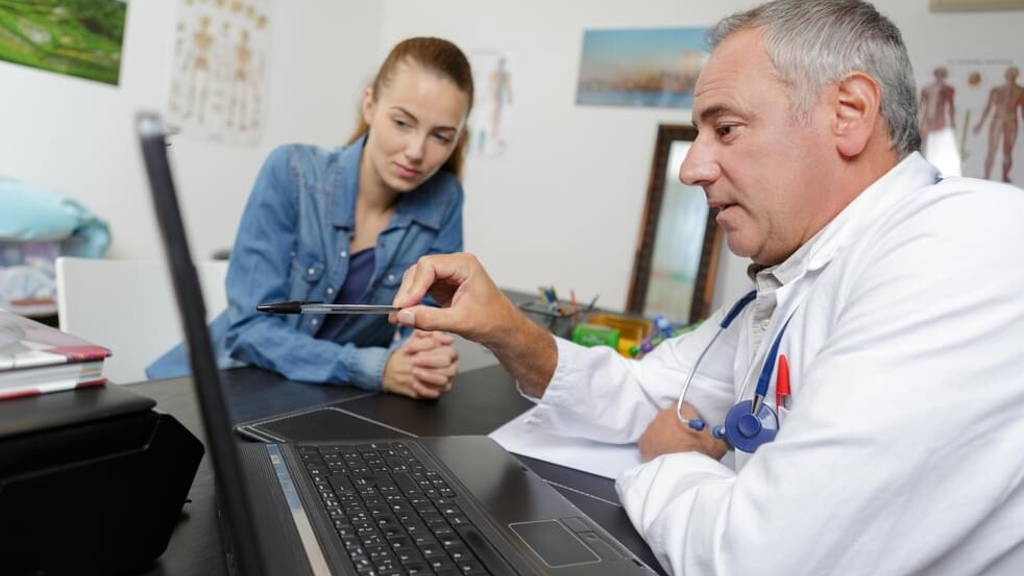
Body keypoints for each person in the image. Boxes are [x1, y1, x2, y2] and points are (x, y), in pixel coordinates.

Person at [388, 1, 1024, 574]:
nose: (691, 167)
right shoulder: (794, 278)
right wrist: (507, 329)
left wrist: (665, 461)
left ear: (849, 113)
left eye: (726, 128)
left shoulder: (967, 243)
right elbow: (644, 392)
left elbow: (760, 558)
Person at [148, 37, 473, 400]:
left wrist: (425, 358)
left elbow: (426, 319)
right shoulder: (291, 171)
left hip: (322, 403)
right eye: (401, 123)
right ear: (370, 105)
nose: (416, 152)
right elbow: (249, 327)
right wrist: (375, 368)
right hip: (220, 388)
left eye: (441, 137)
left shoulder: (445, 199)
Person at [973, 66, 1024, 183]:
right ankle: (986, 176)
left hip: (1011, 122)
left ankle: (1004, 177)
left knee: (1008, 150)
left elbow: (1022, 111)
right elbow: (987, 108)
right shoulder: (996, 90)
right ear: (1006, 76)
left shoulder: (1020, 91)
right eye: (1010, 74)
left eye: (1014, 74)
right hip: (997, 121)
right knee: (992, 149)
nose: (1011, 77)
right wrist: (980, 124)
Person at [918, 66, 961, 176]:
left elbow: (951, 106)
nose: (940, 77)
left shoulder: (948, 89)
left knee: (937, 144)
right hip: (926, 119)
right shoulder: (926, 89)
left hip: (939, 120)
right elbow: (921, 105)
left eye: (942, 74)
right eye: (938, 74)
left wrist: (952, 122)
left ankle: (935, 171)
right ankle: (922, 170)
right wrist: (918, 120)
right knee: (923, 145)